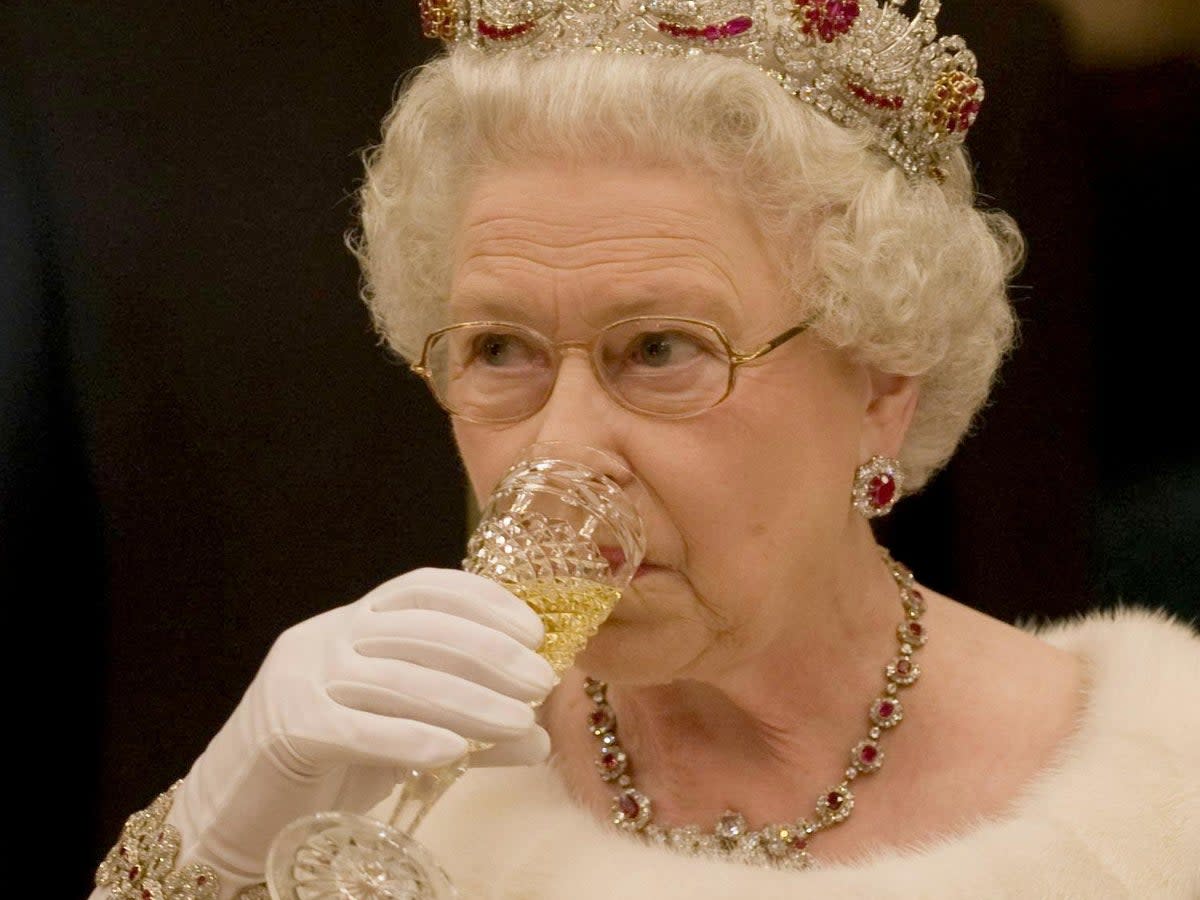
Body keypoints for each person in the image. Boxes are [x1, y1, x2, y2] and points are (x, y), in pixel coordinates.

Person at [91, 0, 1200, 897]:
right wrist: (218, 840)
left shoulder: (1161, 791)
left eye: (663, 348)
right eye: (498, 349)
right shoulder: (370, 782)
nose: (560, 443)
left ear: (883, 379)